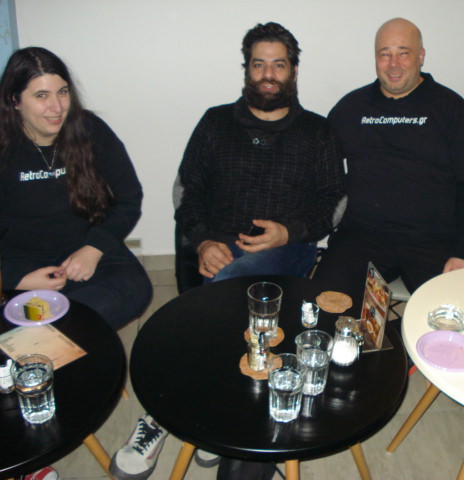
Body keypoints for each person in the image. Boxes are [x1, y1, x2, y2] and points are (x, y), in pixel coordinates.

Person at [111, 22, 346, 480]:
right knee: (220, 297)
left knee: (220, 297)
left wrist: (288, 232)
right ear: (246, 70)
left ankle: (173, 413)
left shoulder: (318, 132)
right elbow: (187, 191)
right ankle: (201, 410)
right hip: (215, 246)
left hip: (288, 251)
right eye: (259, 64)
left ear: (294, 71)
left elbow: (333, 204)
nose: (268, 75)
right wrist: (202, 240)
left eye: (279, 65)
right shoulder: (215, 122)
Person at [0, 47, 152, 480]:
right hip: (22, 263)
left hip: (88, 249)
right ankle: (25, 447)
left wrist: (94, 248)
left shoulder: (90, 130)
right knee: (54, 328)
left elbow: (129, 199)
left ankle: (50, 354)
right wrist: (17, 277)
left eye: (63, 92)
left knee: (136, 290)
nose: (56, 107)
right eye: (41, 95)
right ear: (15, 101)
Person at [313, 18, 464, 305]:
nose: (393, 64)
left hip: (433, 242)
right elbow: (319, 172)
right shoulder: (351, 108)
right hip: (361, 237)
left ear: (421, 56)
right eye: (384, 54)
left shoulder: (453, 110)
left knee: (453, 318)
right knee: (322, 308)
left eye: (403, 53)